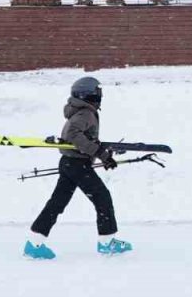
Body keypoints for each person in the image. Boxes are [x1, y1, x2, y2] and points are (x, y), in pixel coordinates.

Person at [24, 76, 132, 259]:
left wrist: (102, 153)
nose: (100, 96)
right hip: (77, 165)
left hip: (69, 163)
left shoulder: (81, 112)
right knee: (102, 198)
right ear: (89, 94)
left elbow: (81, 139)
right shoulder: (85, 114)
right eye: (98, 92)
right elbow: (72, 135)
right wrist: (102, 154)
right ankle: (107, 242)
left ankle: (34, 244)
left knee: (57, 203)